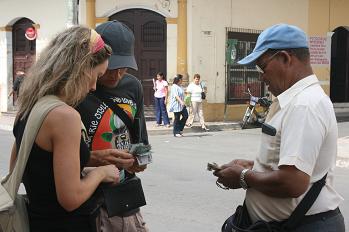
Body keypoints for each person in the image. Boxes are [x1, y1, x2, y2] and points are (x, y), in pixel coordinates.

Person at [214, 24, 345, 231]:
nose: (261, 76)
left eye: (262, 67)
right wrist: (252, 166)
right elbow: (290, 164)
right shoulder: (290, 100)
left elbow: (293, 182)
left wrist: (242, 176)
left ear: (285, 58)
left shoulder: (305, 104)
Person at [10, 26, 118, 232]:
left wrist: (89, 162)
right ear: (81, 68)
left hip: (36, 221)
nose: (94, 86)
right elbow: (70, 198)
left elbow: (22, 168)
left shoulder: (28, 107)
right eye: (96, 75)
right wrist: (101, 173)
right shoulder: (65, 117)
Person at [76, 20, 149, 232]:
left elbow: (140, 138)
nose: (117, 75)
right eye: (112, 67)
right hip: (87, 196)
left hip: (125, 198)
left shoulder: (133, 86)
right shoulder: (78, 89)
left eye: (123, 67)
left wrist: (141, 160)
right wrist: (94, 158)